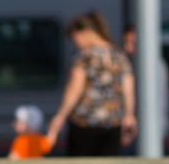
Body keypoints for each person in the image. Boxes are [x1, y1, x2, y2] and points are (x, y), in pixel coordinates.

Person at [48, 11, 137, 156]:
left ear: (85, 32)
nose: (76, 43)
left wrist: (60, 116)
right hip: (113, 123)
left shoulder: (84, 56)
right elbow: (128, 89)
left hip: (84, 123)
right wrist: (129, 115)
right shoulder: (119, 55)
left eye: (74, 38)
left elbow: (74, 90)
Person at [122, 23, 169, 154]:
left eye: (132, 43)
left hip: (145, 129)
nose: (128, 48)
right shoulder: (134, 64)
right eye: (125, 42)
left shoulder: (153, 66)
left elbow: (153, 103)